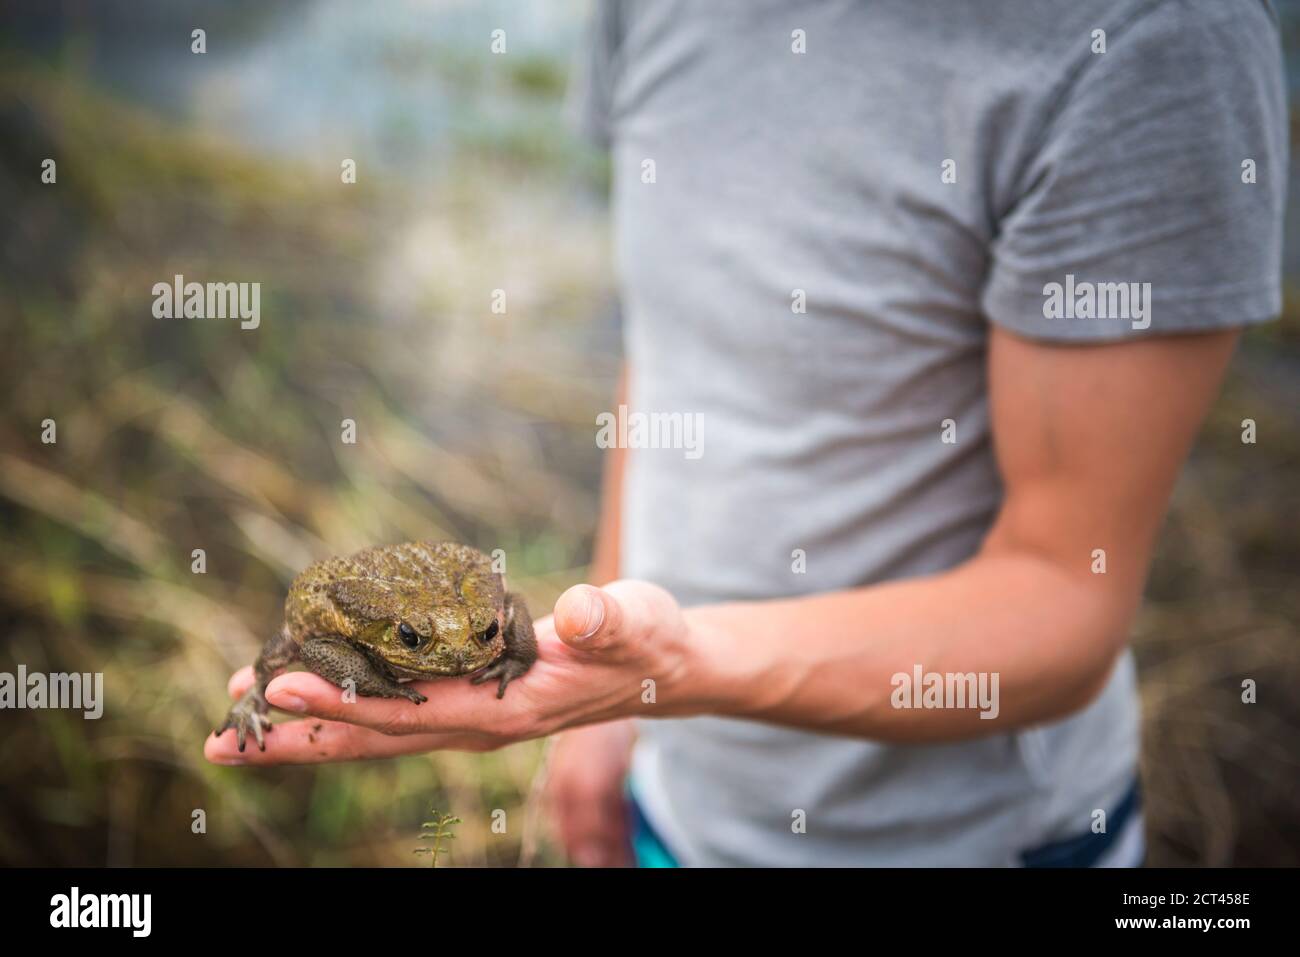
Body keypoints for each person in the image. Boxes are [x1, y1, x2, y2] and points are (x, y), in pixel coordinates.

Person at [205, 0, 1287, 867]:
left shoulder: (1156, 42)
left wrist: (666, 673)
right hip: (663, 798)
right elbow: (674, 349)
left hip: (968, 842)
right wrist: (603, 708)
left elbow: (1067, 590)